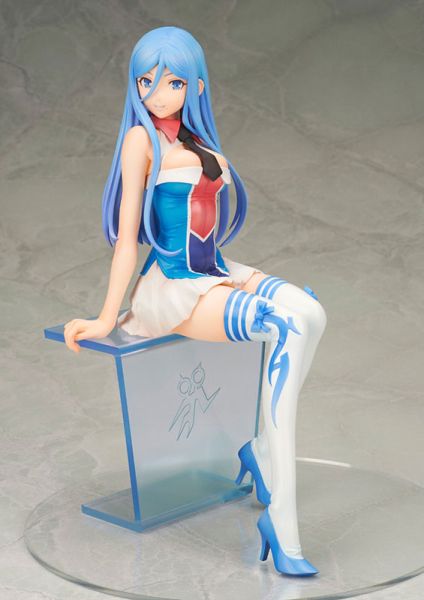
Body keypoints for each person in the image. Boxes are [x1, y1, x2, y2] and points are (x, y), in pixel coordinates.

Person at [63, 26, 327, 577]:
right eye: (146, 81)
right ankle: (283, 522)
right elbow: (128, 239)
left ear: (197, 85)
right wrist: (107, 316)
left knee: (311, 313)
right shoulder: (142, 143)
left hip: (214, 271)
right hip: (172, 288)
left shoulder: (197, 141)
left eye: (173, 82)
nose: (158, 93)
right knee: (286, 325)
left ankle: (259, 449)